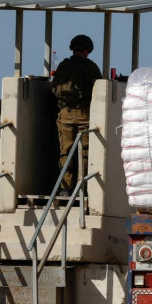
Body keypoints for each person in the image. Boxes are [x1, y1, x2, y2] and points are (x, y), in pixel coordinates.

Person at [51, 34, 102, 192]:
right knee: (84, 152)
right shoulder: (91, 67)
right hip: (84, 115)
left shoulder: (63, 66)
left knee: (65, 151)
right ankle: (83, 187)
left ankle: (66, 188)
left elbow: (54, 88)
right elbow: (100, 90)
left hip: (65, 114)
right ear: (87, 50)